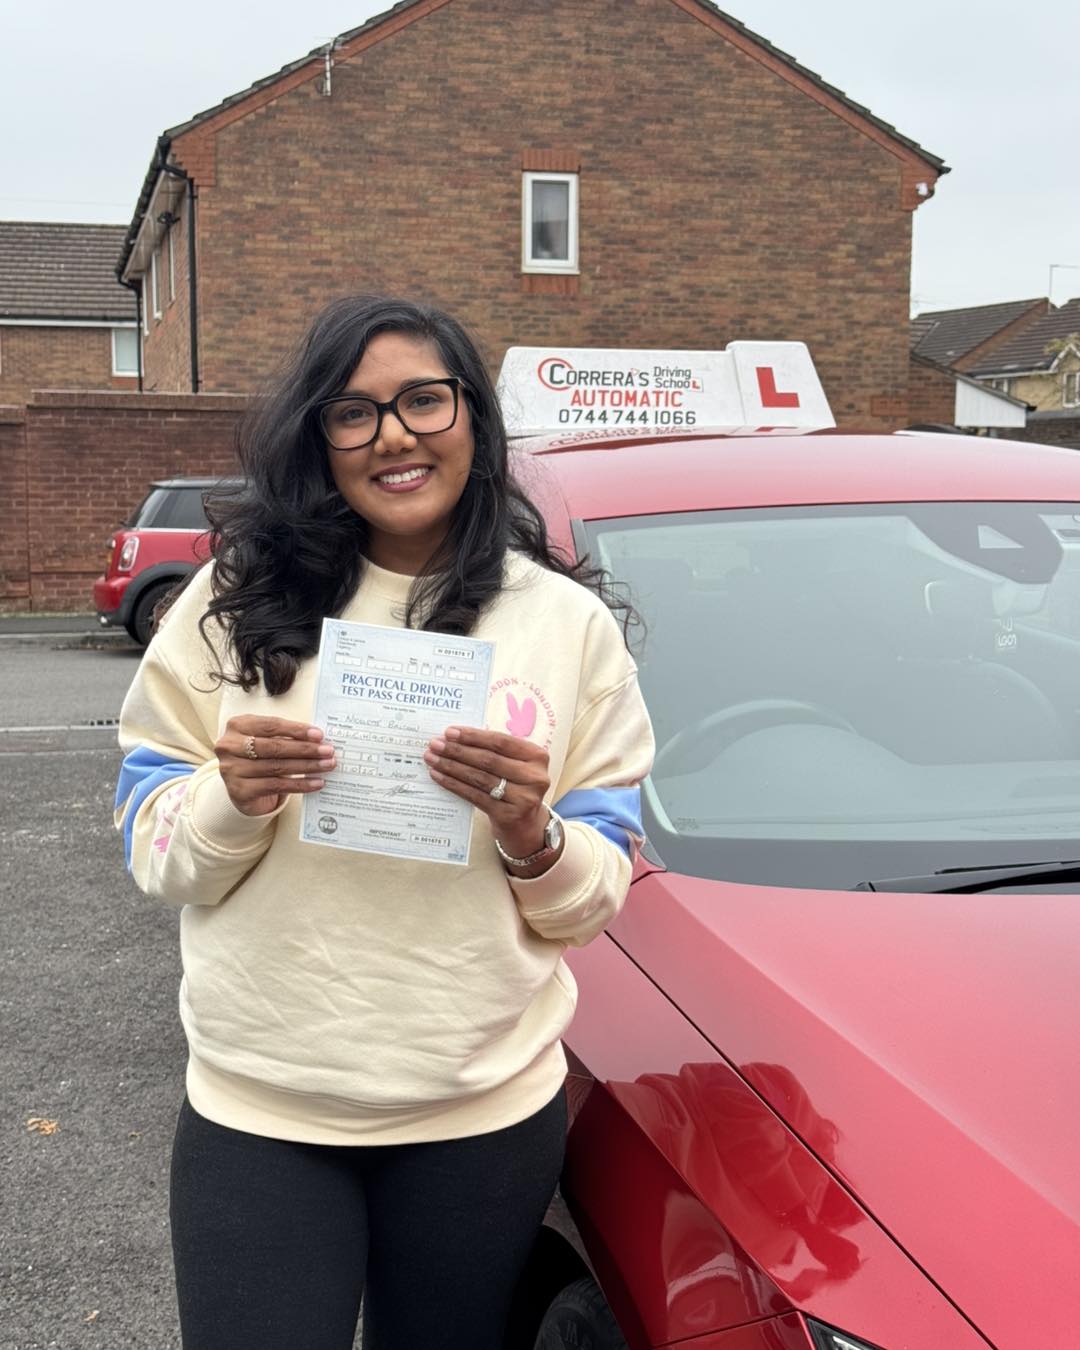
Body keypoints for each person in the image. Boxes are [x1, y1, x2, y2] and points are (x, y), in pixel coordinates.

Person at [113, 295, 655, 1350]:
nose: (395, 434)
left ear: (474, 419)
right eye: (354, 413)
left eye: (423, 400)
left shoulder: (565, 626)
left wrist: (531, 834)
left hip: (479, 1115)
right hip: (265, 1110)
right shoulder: (231, 599)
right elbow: (153, 844)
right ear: (320, 440)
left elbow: (593, 895)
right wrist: (233, 802)